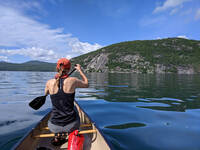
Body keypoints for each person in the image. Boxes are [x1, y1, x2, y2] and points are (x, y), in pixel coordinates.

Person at [44, 58, 89, 146]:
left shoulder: (49, 82)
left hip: (53, 127)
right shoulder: (73, 80)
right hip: (71, 125)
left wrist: (56, 83)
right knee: (75, 108)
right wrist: (80, 70)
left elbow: (46, 94)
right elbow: (87, 84)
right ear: (69, 69)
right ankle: (72, 136)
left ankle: (57, 138)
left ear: (57, 68)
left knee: (54, 110)